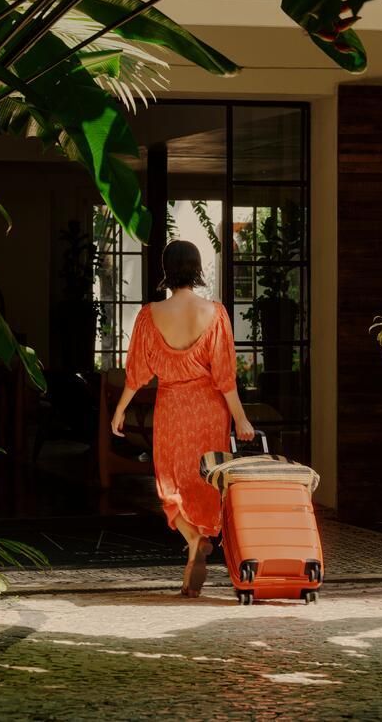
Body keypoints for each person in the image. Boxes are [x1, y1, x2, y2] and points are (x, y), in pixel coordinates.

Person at [111, 240, 255, 597]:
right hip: (209, 409)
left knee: (172, 481)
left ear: (166, 269)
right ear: (197, 268)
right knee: (205, 477)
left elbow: (138, 372)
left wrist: (120, 409)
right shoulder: (215, 312)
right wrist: (241, 419)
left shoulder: (149, 315)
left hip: (172, 407)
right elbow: (225, 377)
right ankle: (200, 540)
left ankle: (193, 540)